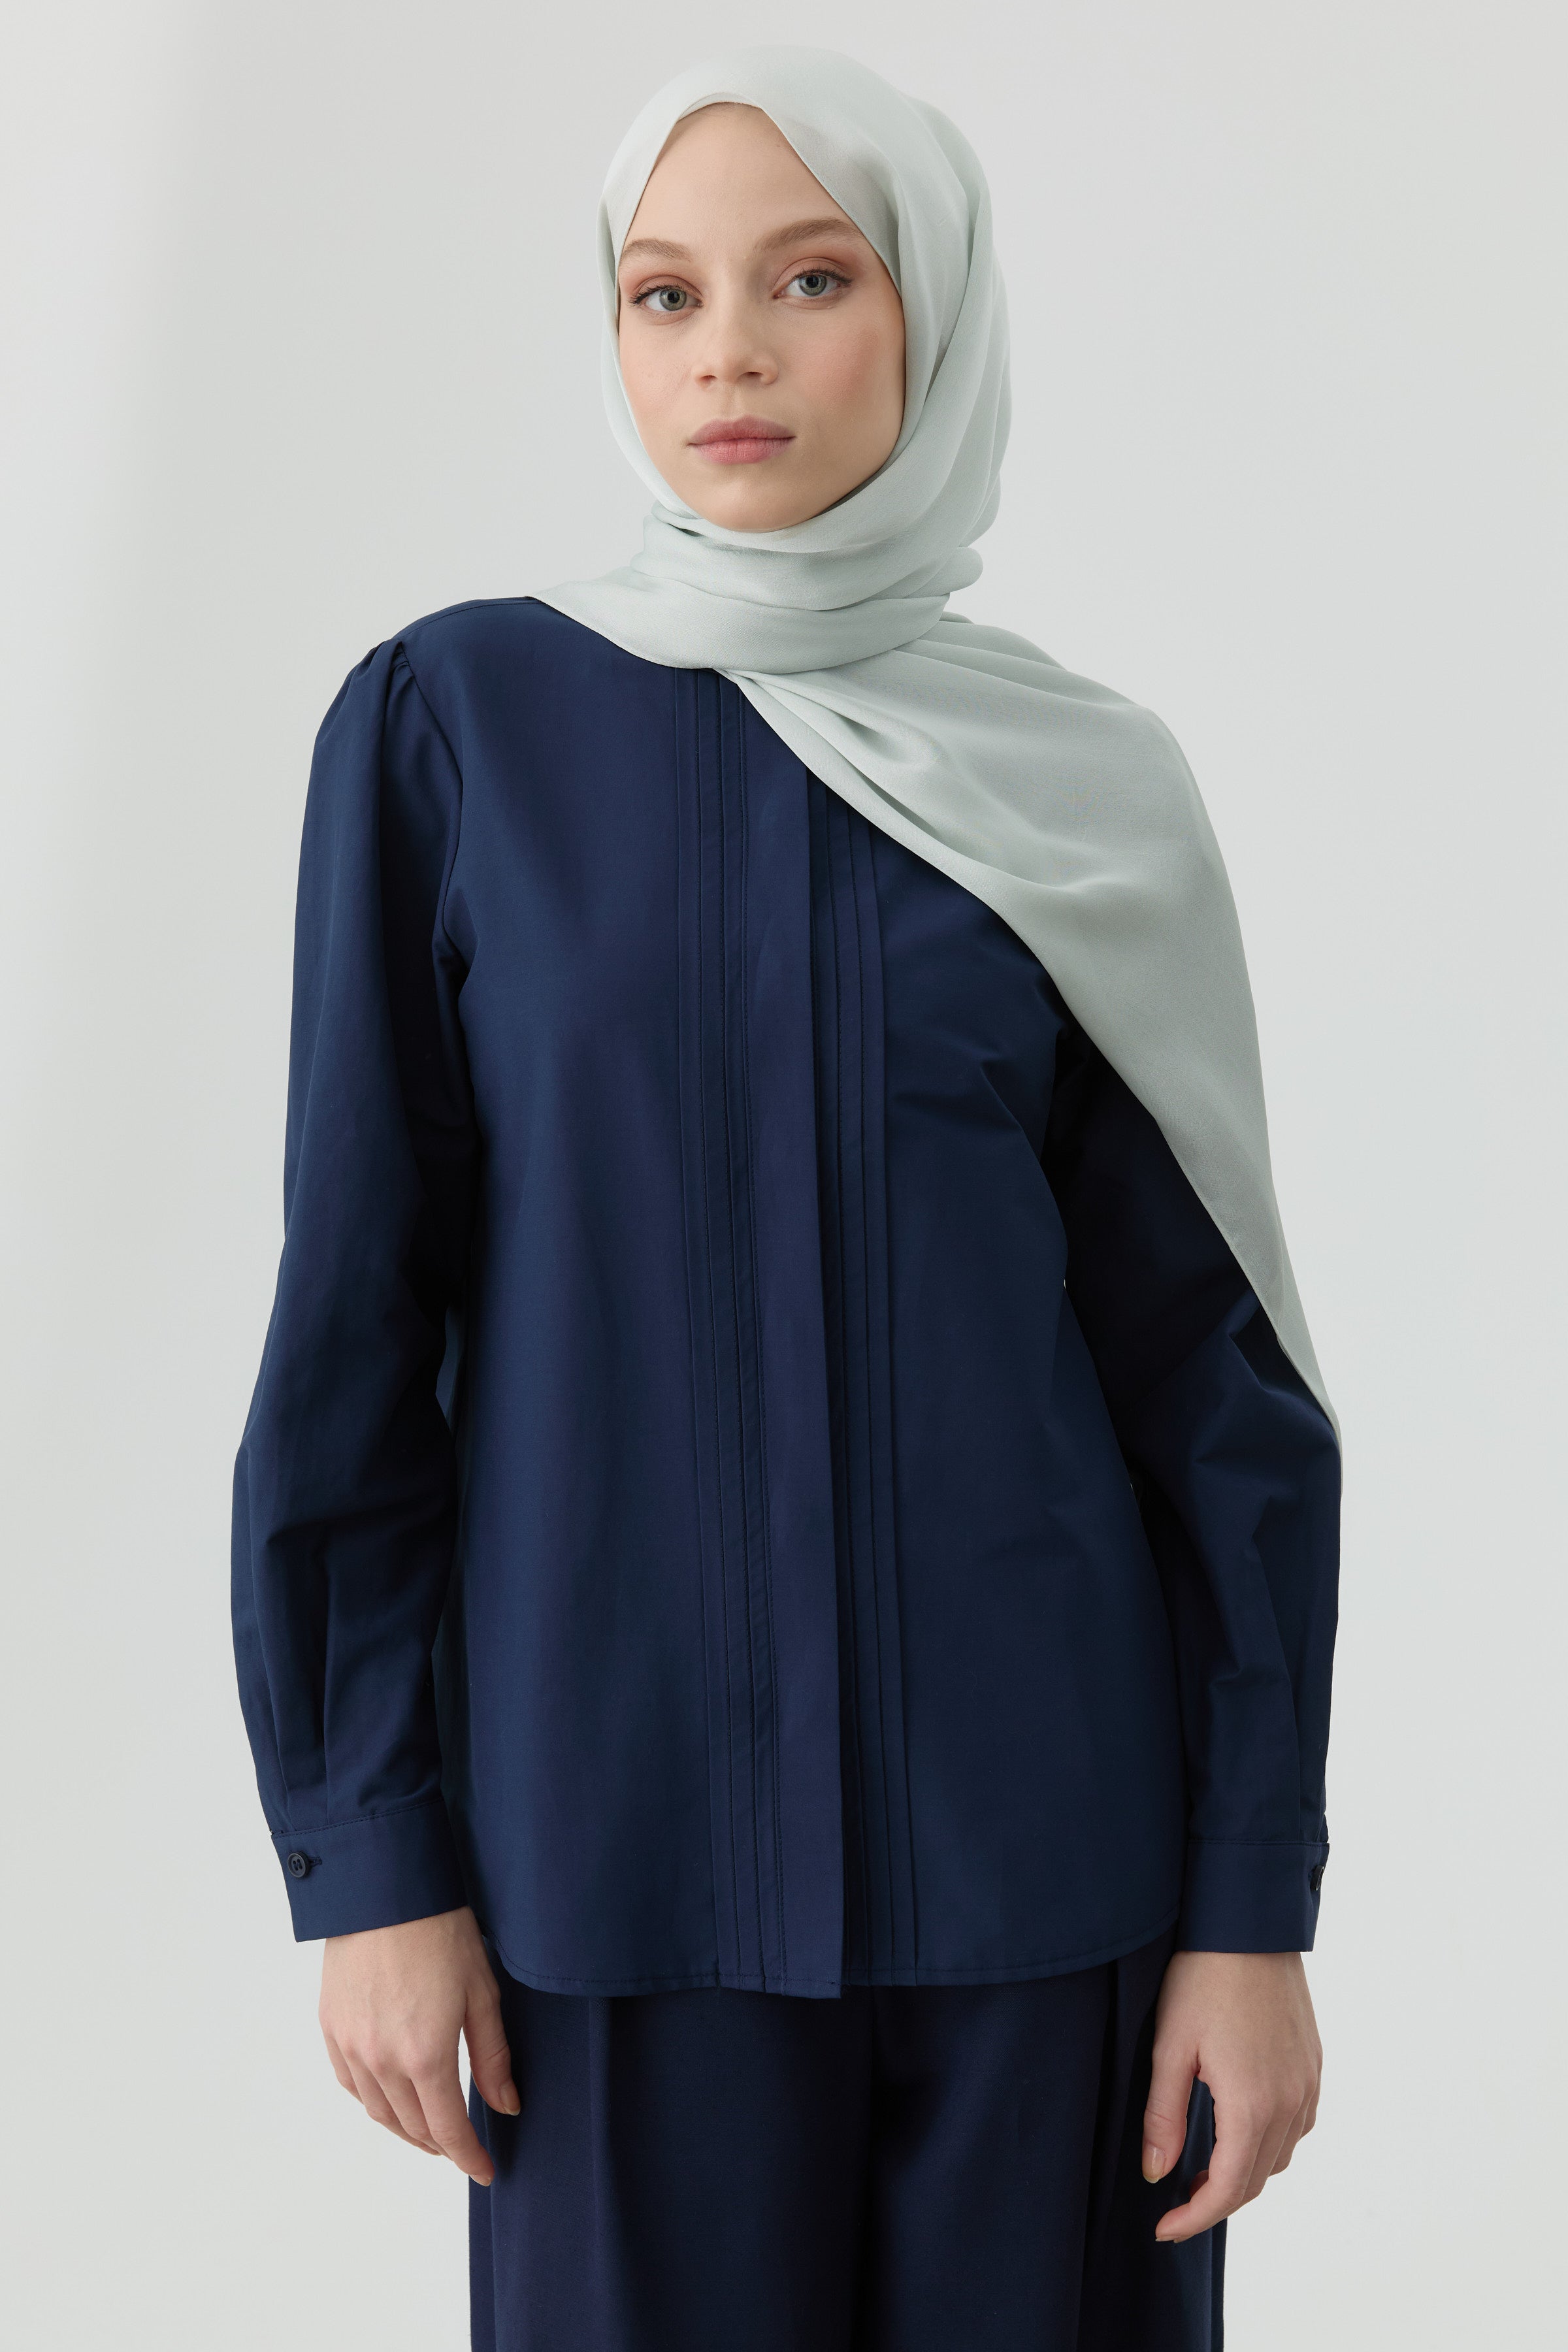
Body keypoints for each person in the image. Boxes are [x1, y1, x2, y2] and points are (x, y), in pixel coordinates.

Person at [232, 46, 1339, 2352]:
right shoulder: (456, 734)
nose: (728, 349)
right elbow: (355, 1331)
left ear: (934, 308)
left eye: (812, 279)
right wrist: (371, 1860)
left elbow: (1214, 1392)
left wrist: (1251, 1909)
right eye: (665, 293)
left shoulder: (1084, 791)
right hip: (605, 1887)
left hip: (1048, 1894)